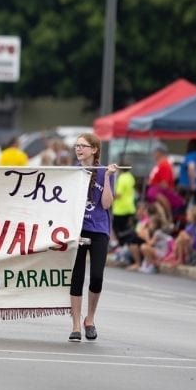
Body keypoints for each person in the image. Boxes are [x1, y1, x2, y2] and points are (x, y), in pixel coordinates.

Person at [68, 133, 118, 343]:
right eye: (77, 145)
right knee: (77, 276)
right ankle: (75, 325)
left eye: (83, 146)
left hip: (99, 229)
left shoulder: (105, 172)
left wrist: (106, 178)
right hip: (78, 230)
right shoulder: (73, 172)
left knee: (97, 276)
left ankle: (90, 319)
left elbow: (106, 204)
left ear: (94, 149)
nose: (79, 149)